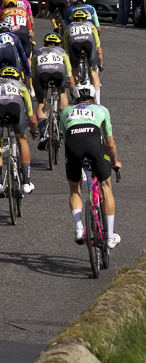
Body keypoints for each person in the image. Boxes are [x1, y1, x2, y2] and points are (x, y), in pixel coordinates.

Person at [60, 80, 121, 248]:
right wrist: (115, 162)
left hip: (74, 147)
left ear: (75, 99)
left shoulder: (65, 112)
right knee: (105, 187)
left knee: (74, 189)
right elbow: (110, 144)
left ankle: (79, 228)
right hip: (94, 145)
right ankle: (109, 236)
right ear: (93, 98)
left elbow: (66, 141)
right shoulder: (101, 109)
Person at [0, 66, 37, 197]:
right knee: (22, 139)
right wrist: (33, 131)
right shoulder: (21, 86)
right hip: (14, 107)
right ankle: (26, 182)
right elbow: (31, 117)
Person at [32, 33, 72, 147]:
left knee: (41, 103)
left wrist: (37, 91)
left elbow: (34, 75)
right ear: (59, 44)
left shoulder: (38, 51)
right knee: (62, 93)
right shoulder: (62, 52)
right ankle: (65, 124)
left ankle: (43, 133)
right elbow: (69, 75)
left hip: (42, 74)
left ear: (44, 43)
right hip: (59, 73)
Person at [63, 8, 103, 98]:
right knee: (93, 73)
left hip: (74, 45)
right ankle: (98, 101)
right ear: (86, 18)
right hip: (89, 44)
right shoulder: (91, 25)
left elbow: (65, 45)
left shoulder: (69, 27)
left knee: (75, 70)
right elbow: (98, 46)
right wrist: (100, 65)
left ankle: (78, 97)